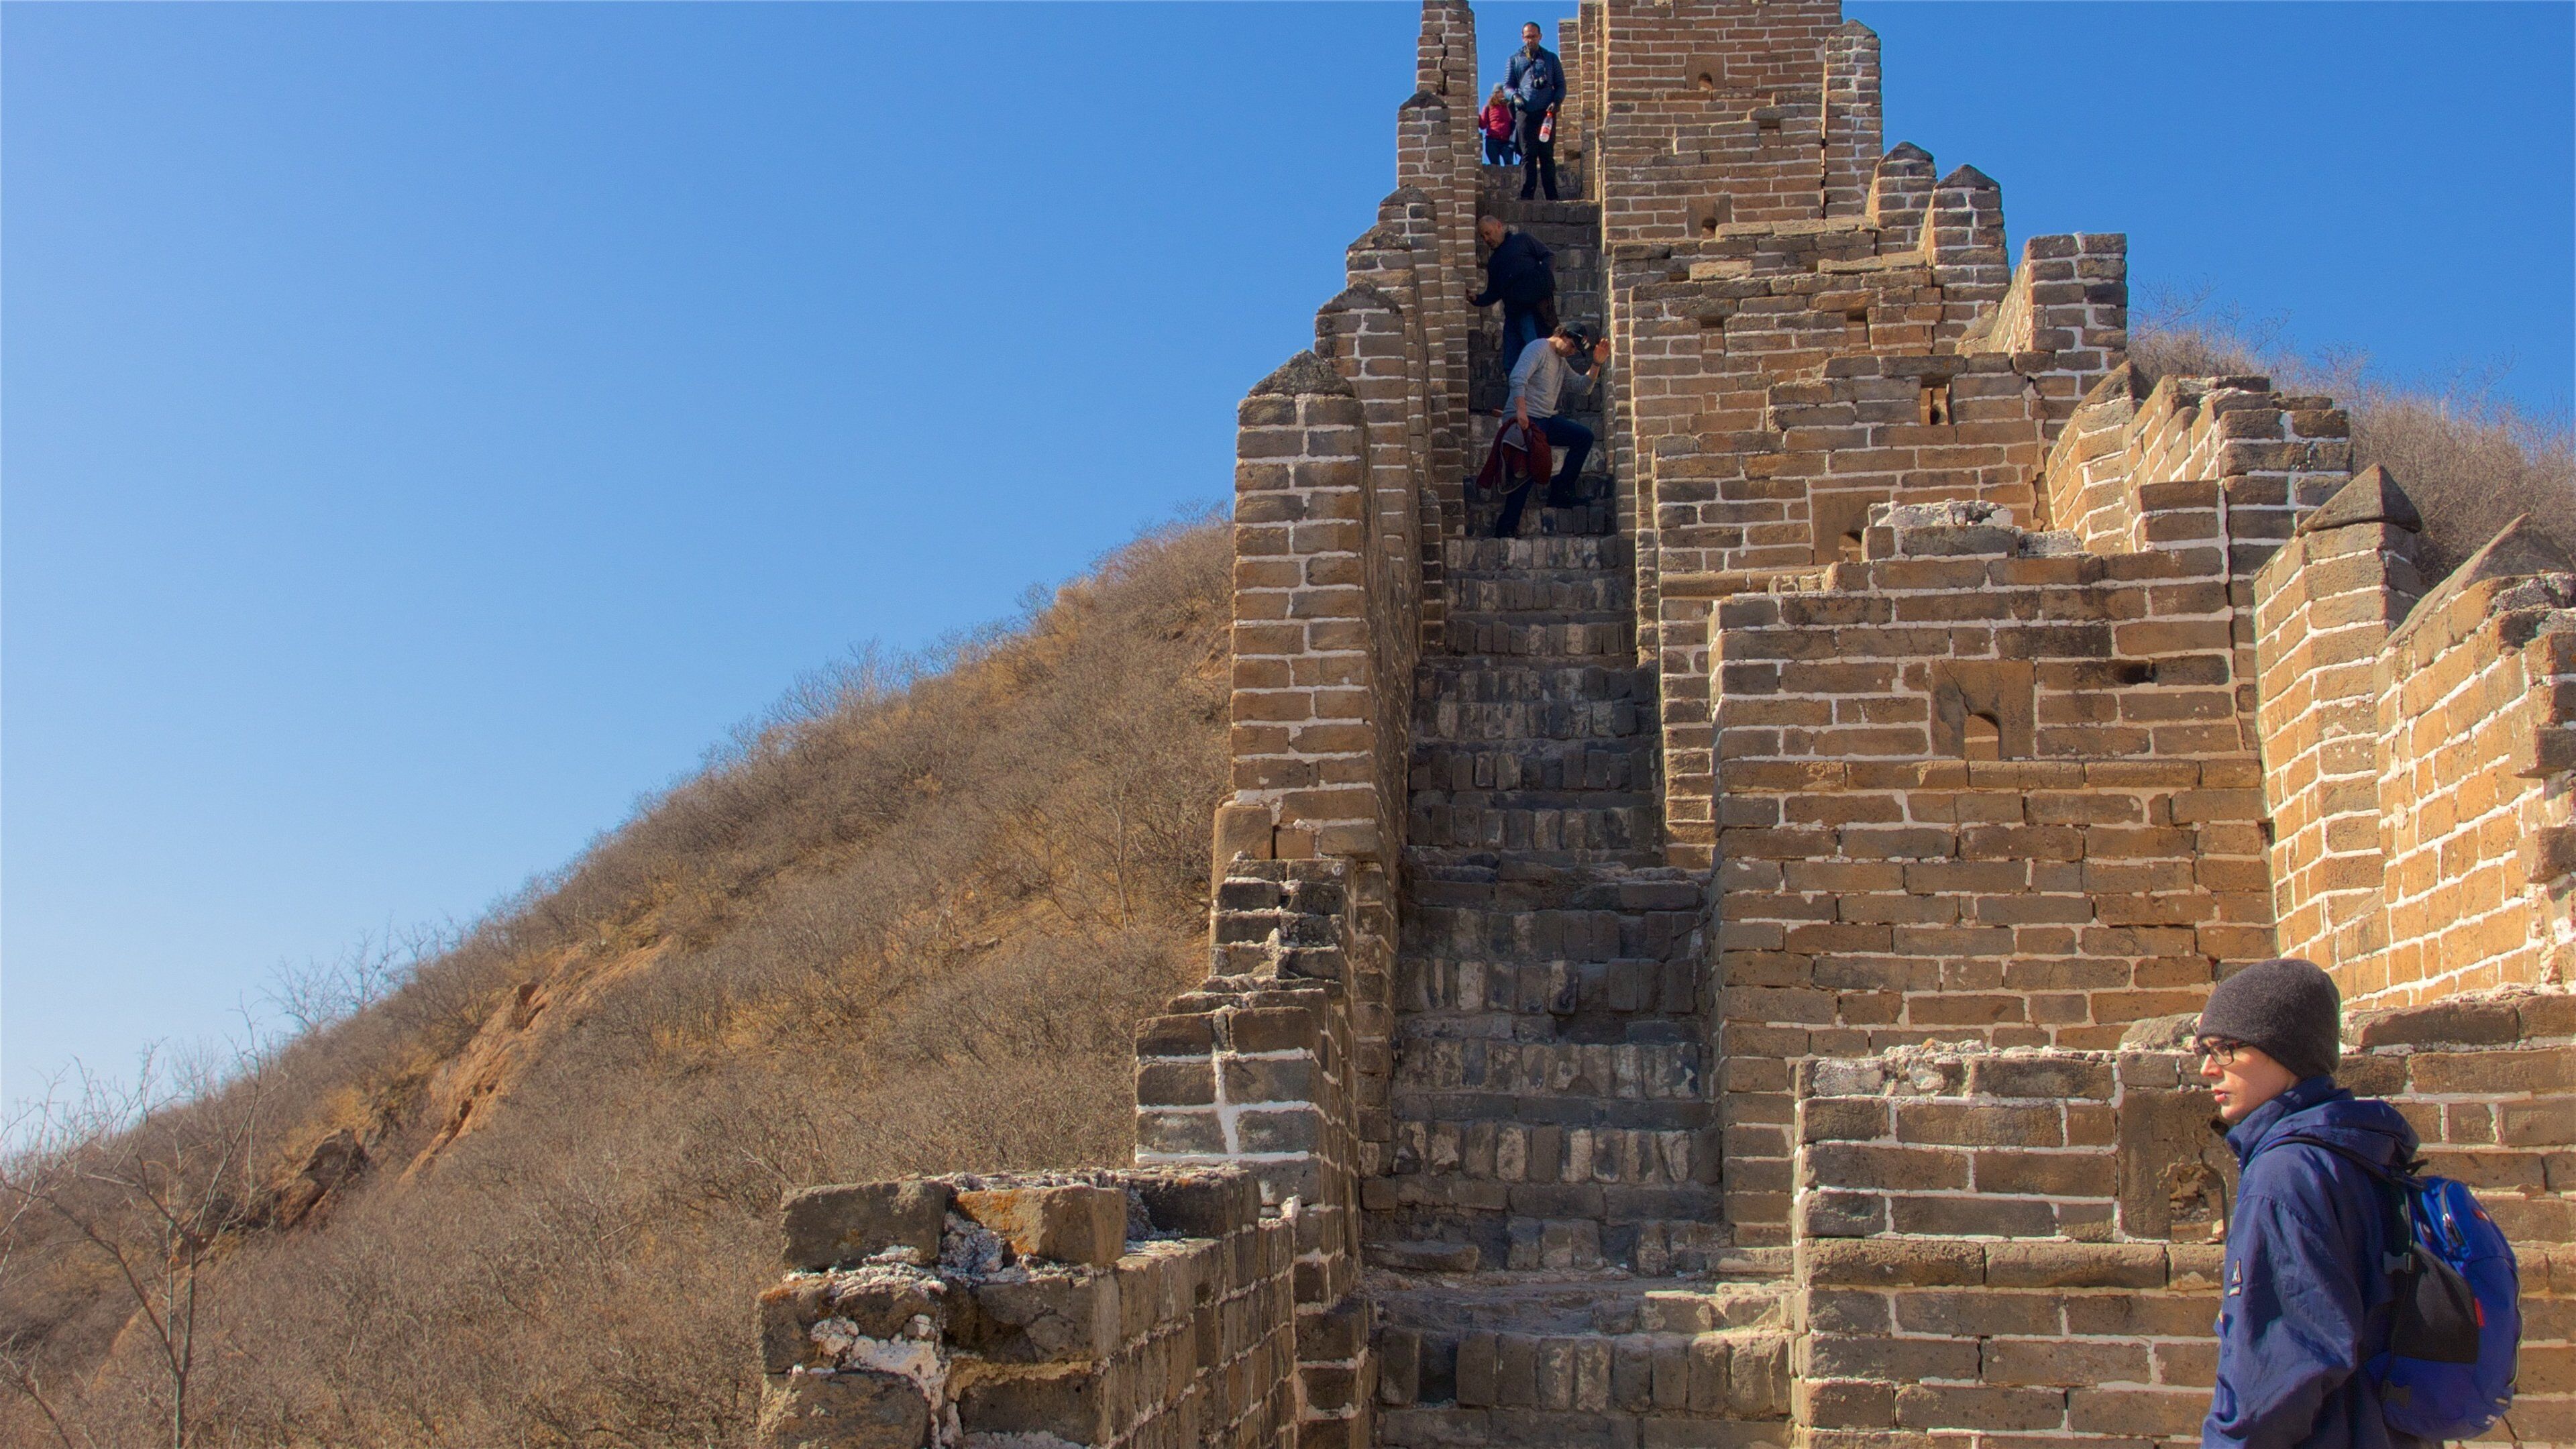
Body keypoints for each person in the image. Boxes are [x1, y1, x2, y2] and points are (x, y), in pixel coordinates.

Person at [2193, 957, 2432, 1449]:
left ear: (2288, 1053)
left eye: (2227, 1049)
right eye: (2205, 1049)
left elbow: (2276, 1376)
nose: (2207, 1068)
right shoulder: (2361, 1148)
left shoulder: (2284, 1176)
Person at [1493, 324, 1607, 537]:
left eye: (1575, 350)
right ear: (1562, 334)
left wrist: (1596, 364)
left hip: (1544, 419)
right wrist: (1521, 411)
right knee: (1526, 471)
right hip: (1524, 419)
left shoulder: (1561, 362)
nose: (1572, 352)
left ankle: (1560, 492)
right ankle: (1506, 527)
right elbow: (1517, 378)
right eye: (1572, 346)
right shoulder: (1538, 348)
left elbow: (1583, 387)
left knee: (1583, 437)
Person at [1472, 215, 1555, 369]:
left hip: (1533, 311)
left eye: (1488, 233)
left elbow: (1548, 255)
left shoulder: (1522, 241)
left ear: (1498, 225)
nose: (1486, 239)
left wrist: (1541, 279)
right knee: (1511, 363)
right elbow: (1494, 292)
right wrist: (1476, 299)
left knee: (1535, 355)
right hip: (1512, 316)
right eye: (1483, 237)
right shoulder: (1494, 262)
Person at [1505, 21, 1564, 201]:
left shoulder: (1551, 59)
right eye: (1527, 37)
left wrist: (1556, 101)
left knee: (1546, 154)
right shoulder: (1515, 59)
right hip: (1525, 112)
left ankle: (1551, 195)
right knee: (1528, 154)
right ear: (1523, 38)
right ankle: (1527, 195)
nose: (1530, 40)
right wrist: (1515, 96)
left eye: (1534, 36)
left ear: (1540, 37)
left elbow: (1561, 85)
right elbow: (1508, 86)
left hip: (1546, 113)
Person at [1481, 84, 1519, 166]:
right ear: (1495, 94)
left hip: (1506, 141)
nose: (1501, 94)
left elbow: (1513, 121)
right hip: (1492, 140)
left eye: (1503, 92)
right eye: (1499, 92)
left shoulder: (1509, 107)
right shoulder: (1488, 107)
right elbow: (1483, 125)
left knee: (1509, 164)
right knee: (1495, 165)